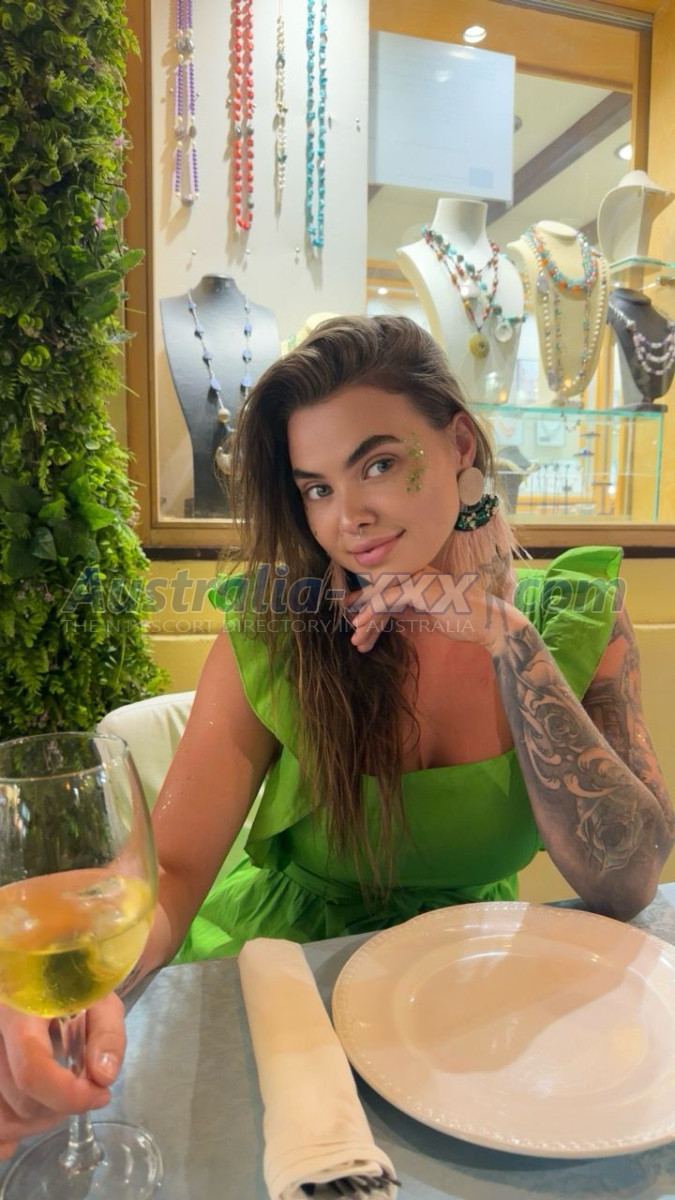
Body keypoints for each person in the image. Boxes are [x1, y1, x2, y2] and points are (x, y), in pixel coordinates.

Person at [0, 315, 672, 1159]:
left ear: (459, 444)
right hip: (283, 981)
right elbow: (172, 873)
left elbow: (627, 881)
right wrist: (80, 984)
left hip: (469, 990)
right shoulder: (280, 629)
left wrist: (510, 644)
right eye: (315, 488)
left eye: (378, 464)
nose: (347, 518)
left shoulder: (573, 619)